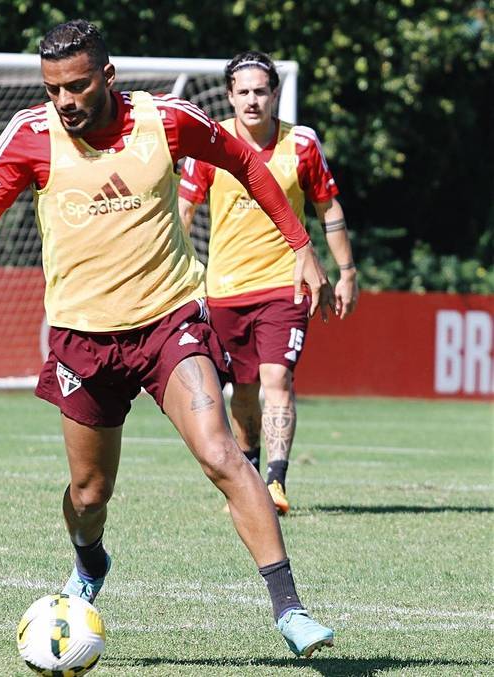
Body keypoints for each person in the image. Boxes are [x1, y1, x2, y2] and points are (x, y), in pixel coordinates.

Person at [0, 21, 335, 657]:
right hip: (83, 339)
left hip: (170, 321)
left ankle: (290, 610)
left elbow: (244, 159)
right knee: (89, 492)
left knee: (222, 452)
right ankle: (88, 562)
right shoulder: (31, 137)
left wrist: (302, 245)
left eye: (78, 86)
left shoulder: (166, 121)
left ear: (107, 77)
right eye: (54, 89)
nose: (66, 101)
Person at [179, 50, 358, 516]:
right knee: (241, 388)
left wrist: (347, 272)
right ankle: (252, 474)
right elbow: (183, 215)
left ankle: (276, 482)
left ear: (275, 93)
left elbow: (328, 208)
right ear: (229, 96)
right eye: (244, 92)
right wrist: (176, 275)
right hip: (224, 288)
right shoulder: (209, 144)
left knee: (276, 378)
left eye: (262, 91)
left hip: (286, 283)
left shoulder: (300, 144)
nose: (253, 100)